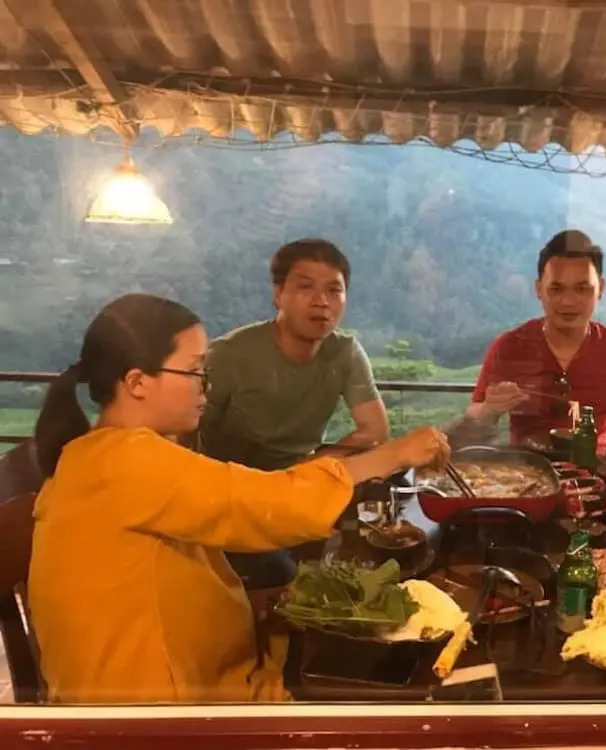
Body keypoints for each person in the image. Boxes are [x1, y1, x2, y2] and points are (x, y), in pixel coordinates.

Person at [28, 294, 449, 704]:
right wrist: (392, 455)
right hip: (161, 713)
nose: (205, 387)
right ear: (137, 382)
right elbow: (266, 504)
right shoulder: (126, 460)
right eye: (194, 371)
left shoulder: (96, 455)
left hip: (170, 688)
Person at [198, 239, 388, 588]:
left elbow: (375, 430)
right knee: (283, 576)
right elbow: (185, 433)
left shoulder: (344, 352)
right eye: (305, 287)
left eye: (334, 290)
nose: (321, 301)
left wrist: (314, 463)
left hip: (300, 490)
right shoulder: (230, 354)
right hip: (231, 498)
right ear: (278, 294)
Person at [465, 230, 606, 450]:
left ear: (601, 289)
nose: (568, 301)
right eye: (556, 289)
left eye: (582, 289)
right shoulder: (510, 347)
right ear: (539, 289)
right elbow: (475, 416)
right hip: (525, 465)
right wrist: (489, 409)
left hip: (594, 466)